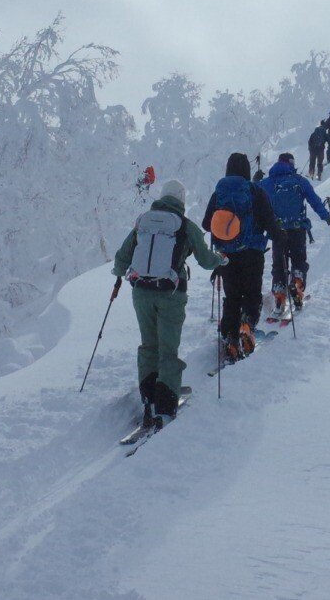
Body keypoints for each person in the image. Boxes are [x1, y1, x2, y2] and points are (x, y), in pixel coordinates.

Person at [112, 180, 224, 426]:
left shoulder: (143, 222)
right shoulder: (184, 225)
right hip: (171, 294)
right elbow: (206, 260)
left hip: (141, 292)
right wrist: (221, 261)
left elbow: (123, 256)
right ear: (181, 201)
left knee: (149, 345)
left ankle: (149, 399)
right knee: (168, 350)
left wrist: (118, 273)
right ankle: (165, 404)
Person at [204, 152, 283, 361]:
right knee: (251, 295)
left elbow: (206, 224)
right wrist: (279, 237)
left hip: (226, 256)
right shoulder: (255, 191)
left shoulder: (219, 192)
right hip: (253, 253)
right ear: (246, 171)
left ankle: (230, 336)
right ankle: (247, 325)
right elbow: (269, 222)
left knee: (231, 298)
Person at [258, 152, 330, 315]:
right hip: (298, 228)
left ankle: (279, 295)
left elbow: (252, 194)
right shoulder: (299, 181)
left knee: (279, 265)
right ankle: (297, 285)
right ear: (291, 164)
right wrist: (327, 217)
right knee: (299, 261)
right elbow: (314, 201)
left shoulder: (267, 183)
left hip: (278, 231)